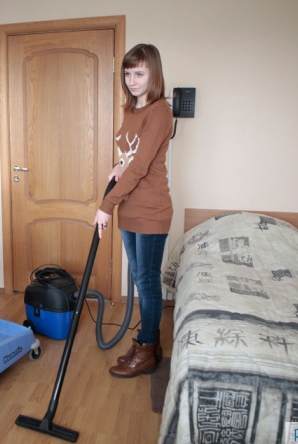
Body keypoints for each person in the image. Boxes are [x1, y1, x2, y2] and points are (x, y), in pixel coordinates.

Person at [93, 43, 173, 378]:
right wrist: (117, 165)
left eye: (139, 73)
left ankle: (145, 350)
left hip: (151, 209)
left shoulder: (160, 112)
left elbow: (140, 167)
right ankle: (148, 344)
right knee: (141, 279)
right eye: (128, 73)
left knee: (147, 282)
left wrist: (106, 205)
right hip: (129, 207)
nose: (132, 80)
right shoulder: (131, 110)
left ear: (154, 73)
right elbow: (131, 157)